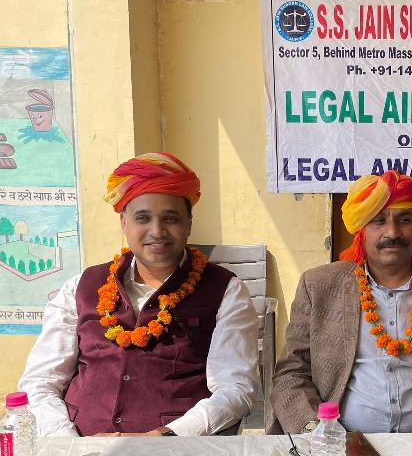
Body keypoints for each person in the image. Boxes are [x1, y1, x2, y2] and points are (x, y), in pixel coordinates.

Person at [19, 152, 260, 437]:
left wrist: (164, 436)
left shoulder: (225, 290)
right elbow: (40, 382)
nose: (157, 231)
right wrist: (69, 441)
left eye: (170, 218)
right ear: (124, 223)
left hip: (176, 452)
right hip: (80, 446)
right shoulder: (80, 287)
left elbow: (235, 389)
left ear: (188, 223)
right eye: (142, 218)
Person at [270, 170, 412, 435]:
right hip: (339, 441)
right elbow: (292, 374)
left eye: (404, 219)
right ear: (361, 231)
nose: (392, 232)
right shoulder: (318, 286)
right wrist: (316, 431)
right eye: (378, 221)